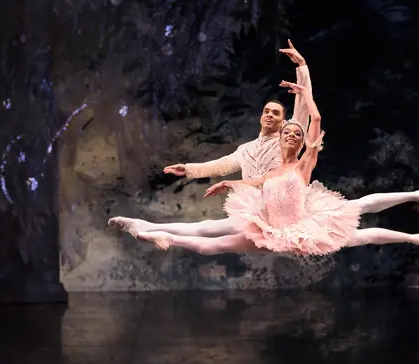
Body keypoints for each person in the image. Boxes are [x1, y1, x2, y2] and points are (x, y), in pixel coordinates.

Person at [131, 80, 419, 255]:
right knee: (211, 243)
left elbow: (314, 119)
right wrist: (213, 179)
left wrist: (306, 85)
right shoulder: (254, 155)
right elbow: (243, 177)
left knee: (362, 219)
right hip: (269, 223)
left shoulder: (303, 160)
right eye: (287, 131)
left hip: (305, 223)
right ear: (272, 127)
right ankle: (155, 233)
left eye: (295, 132)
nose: (290, 133)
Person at [108, 40, 313, 238]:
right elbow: (220, 165)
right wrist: (188, 169)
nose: (269, 115)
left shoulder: (287, 141)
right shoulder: (246, 149)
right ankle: (149, 229)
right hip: (256, 212)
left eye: (275, 113)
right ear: (260, 117)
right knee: (208, 235)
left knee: (208, 234)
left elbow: (303, 108)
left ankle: (150, 230)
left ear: (284, 121)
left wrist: (302, 67)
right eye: (266, 111)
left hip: (279, 211)